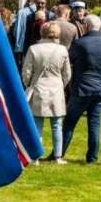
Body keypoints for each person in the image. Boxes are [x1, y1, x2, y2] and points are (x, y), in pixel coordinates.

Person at [22, 22, 72, 164]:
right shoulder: (62, 50)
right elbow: (67, 73)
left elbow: (26, 72)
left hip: (38, 88)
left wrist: (29, 85)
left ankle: (36, 157)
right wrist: (61, 85)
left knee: (37, 125)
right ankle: (58, 156)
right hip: (56, 89)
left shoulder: (33, 49)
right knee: (57, 125)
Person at [62, 15, 101, 164]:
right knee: (94, 124)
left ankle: (59, 153)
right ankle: (92, 157)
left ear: (86, 26)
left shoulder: (79, 43)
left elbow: (69, 59)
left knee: (69, 123)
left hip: (82, 88)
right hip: (100, 88)